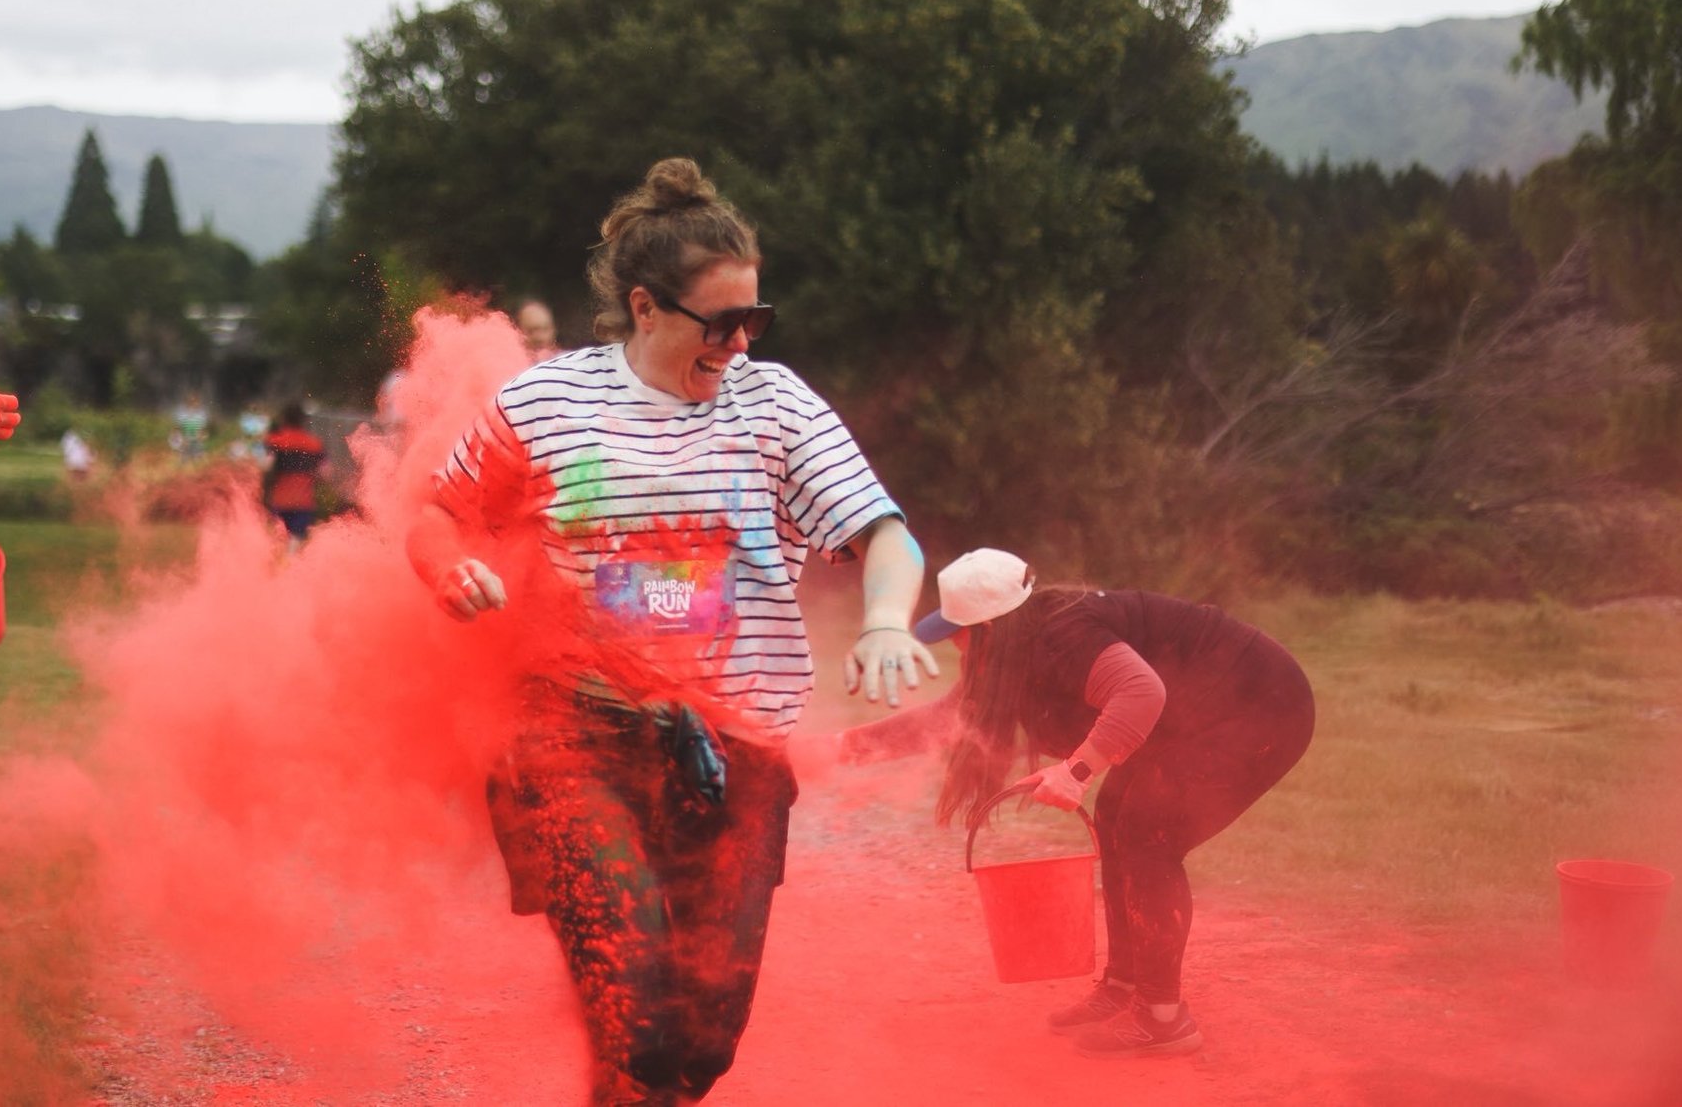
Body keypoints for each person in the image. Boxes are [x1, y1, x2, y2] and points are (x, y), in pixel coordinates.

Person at [407, 157, 935, 1106]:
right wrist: (451, 572)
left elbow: (883, 533)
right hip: (577, 733)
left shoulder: (777, 405)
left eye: (754, 320)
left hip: (735, 751)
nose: (739, 344)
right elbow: (440, 514)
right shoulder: (549, 403)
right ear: (645, 309)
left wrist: (888, 618)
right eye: (719, 323)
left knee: (703, 1038)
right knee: (637, 1012)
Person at [836, 548, 1316, 1059]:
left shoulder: (1063, 636)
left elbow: (1141, 692)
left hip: (1260, 706)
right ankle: (1126, 987)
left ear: (991, 628)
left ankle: (1162, 1018)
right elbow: (946, 721)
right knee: (1115, 819)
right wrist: (837, 751)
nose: (954, 643)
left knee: (1147, 834)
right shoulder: (1020, 645)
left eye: (959, 631)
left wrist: (1075, 772)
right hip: (1205, 712)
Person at [262, 402, 325, 550]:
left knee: (277, 539)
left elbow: (267, 466)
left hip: (280, 500)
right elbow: (326, 472)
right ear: (303, 420)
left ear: (284, 419)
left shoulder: (276, 441)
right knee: (295, 541)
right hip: (303, 501)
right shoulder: (314, 444)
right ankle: (290, 562)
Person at [514, 297, 562, 362]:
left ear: (553, 330)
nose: (540, 338)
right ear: (518, 332)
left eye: (545, 329)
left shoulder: (567, 362)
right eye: (532, 331)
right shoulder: (513, 362)